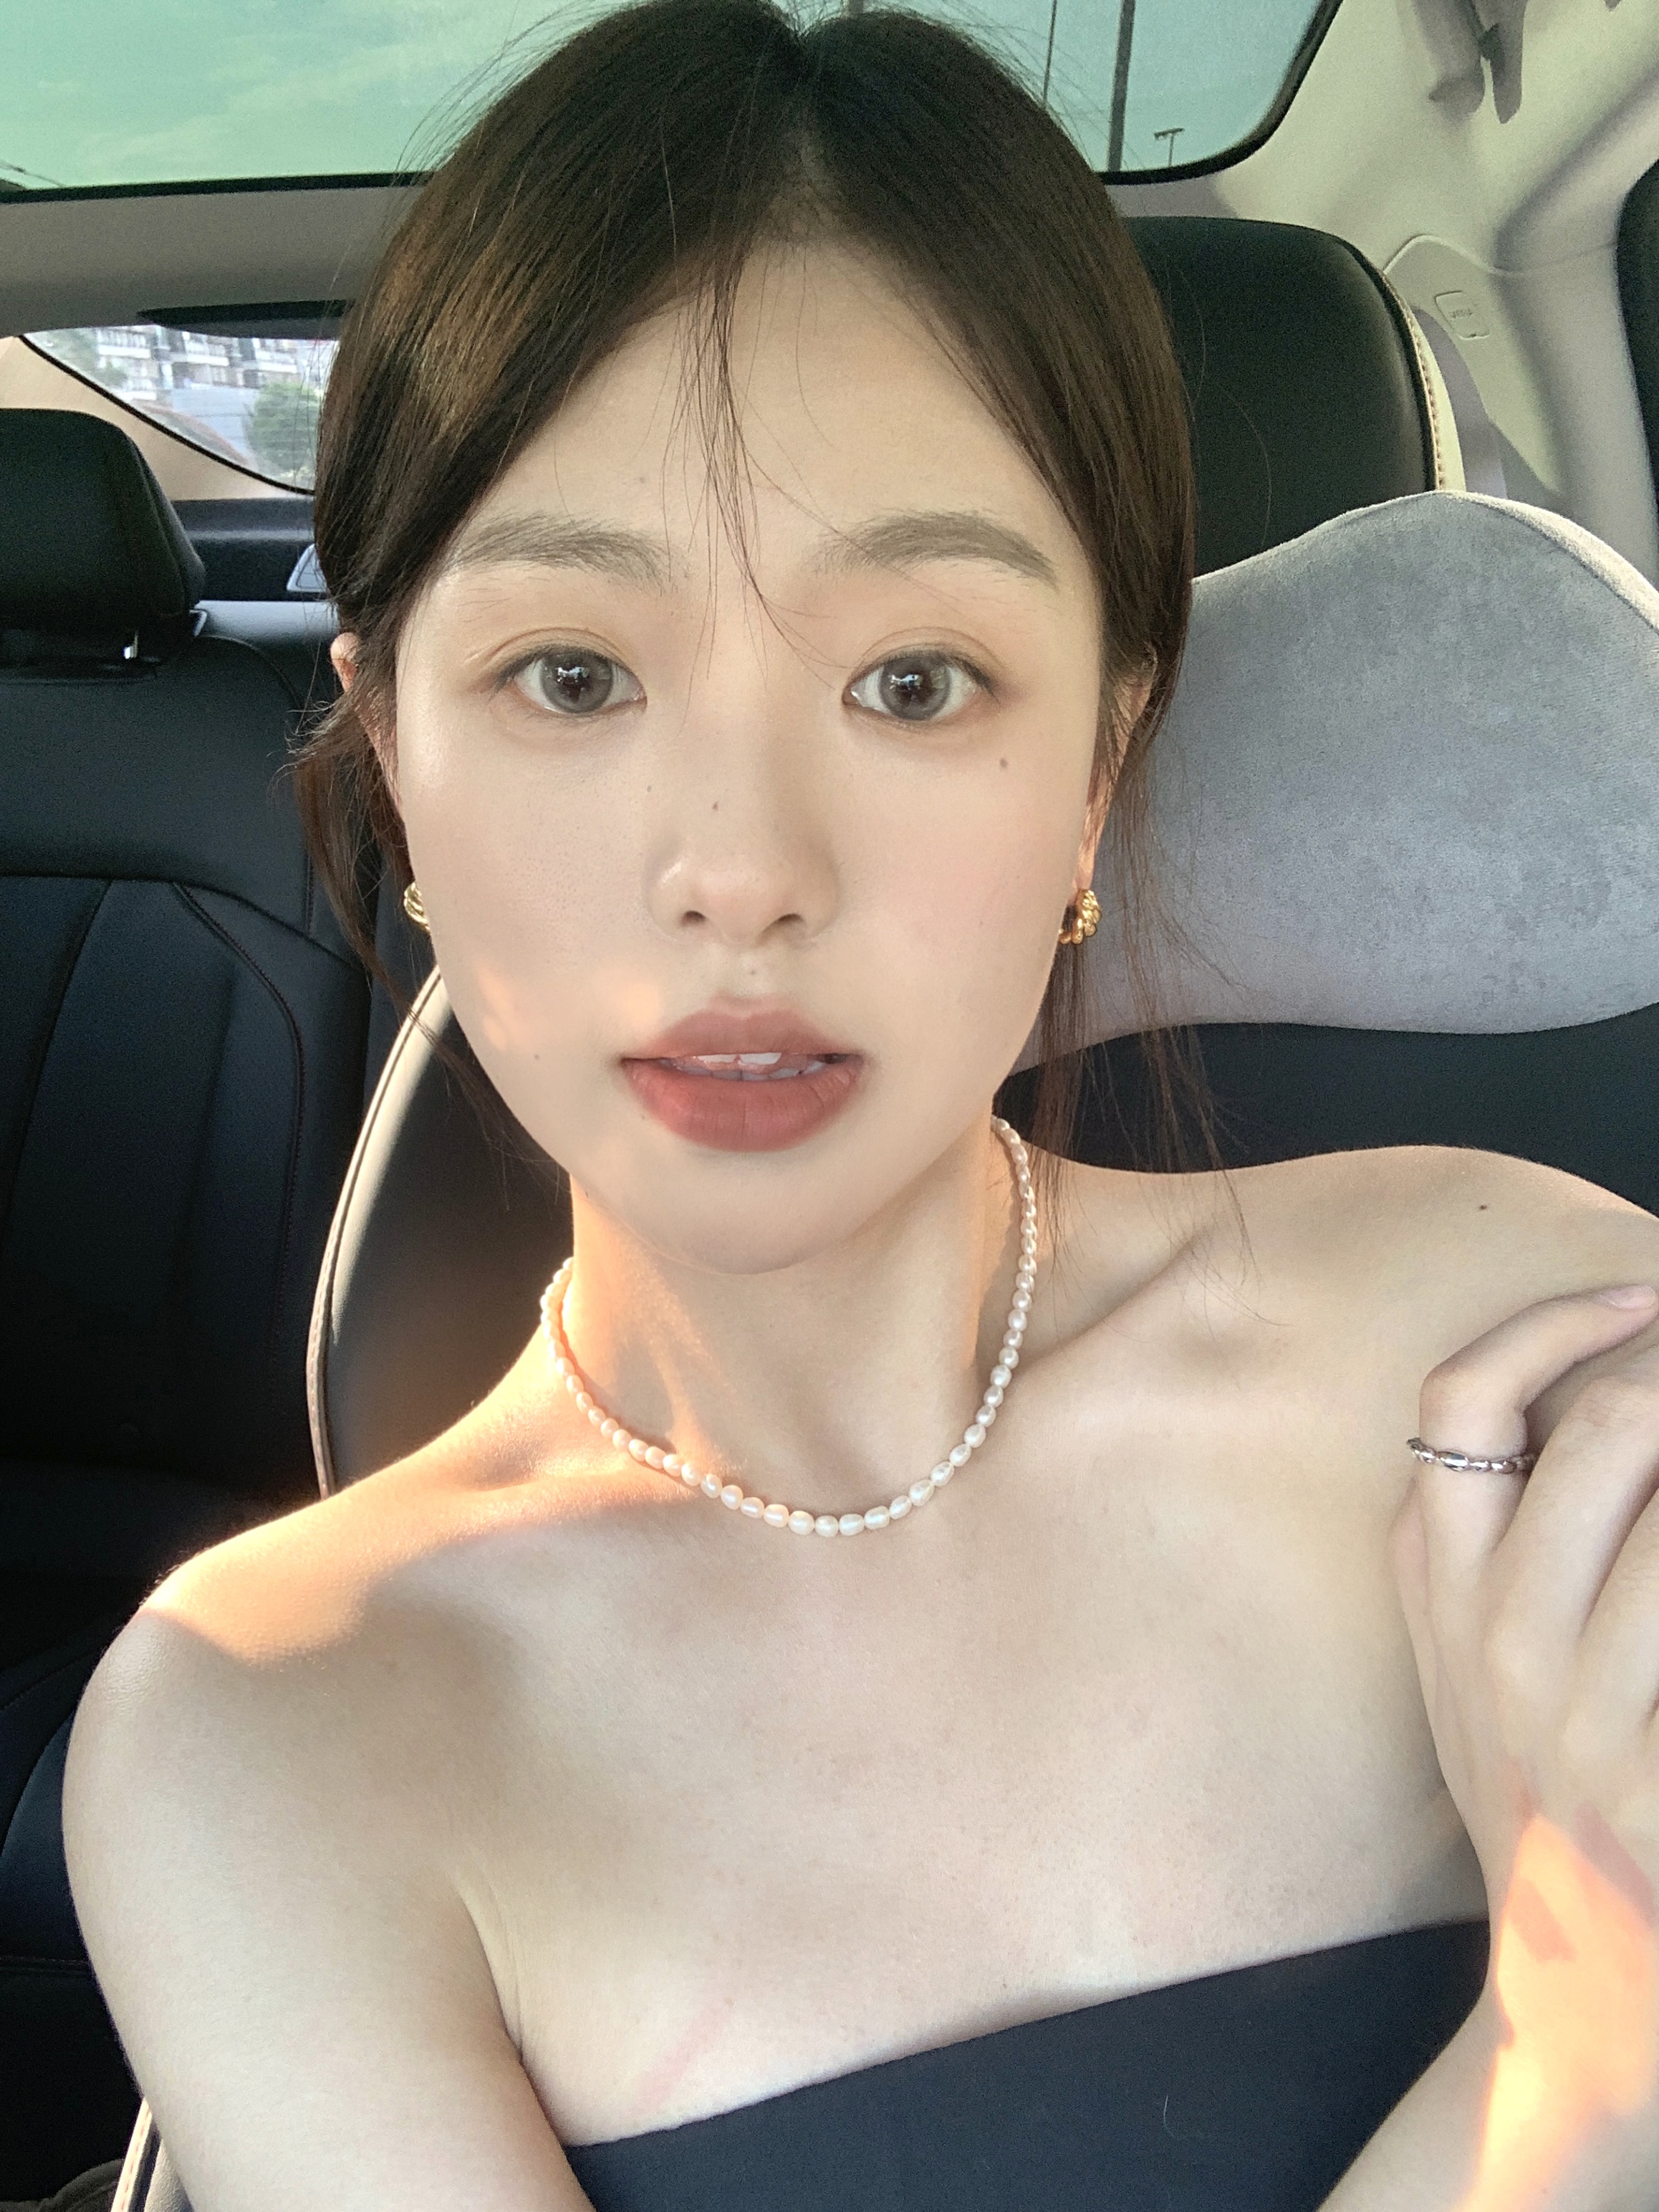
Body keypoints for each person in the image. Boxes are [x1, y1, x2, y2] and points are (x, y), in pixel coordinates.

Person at [58, 2, 1659, 2207]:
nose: (742, 870)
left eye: (914, 682)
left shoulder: (1520, 1350)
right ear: (398, 762)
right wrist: (1587, 2047)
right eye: (569, 676)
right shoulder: (268, 1737)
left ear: (1094, 767)